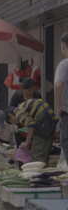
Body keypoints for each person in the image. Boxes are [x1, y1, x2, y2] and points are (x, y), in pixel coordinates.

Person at [15, 79, 58, 164]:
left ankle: (38, 174)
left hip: (43, 122)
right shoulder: (31, 101)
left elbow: (31, 125)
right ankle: (43, 171)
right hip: (51, 120)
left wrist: (27, 142)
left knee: (38, 157)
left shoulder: (19, 112)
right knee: (44, 152)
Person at [56, 32, 68, 166]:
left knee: (66, 141)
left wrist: (58, 106)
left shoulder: (64, 64)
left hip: (67, 111)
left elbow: (59, 84)